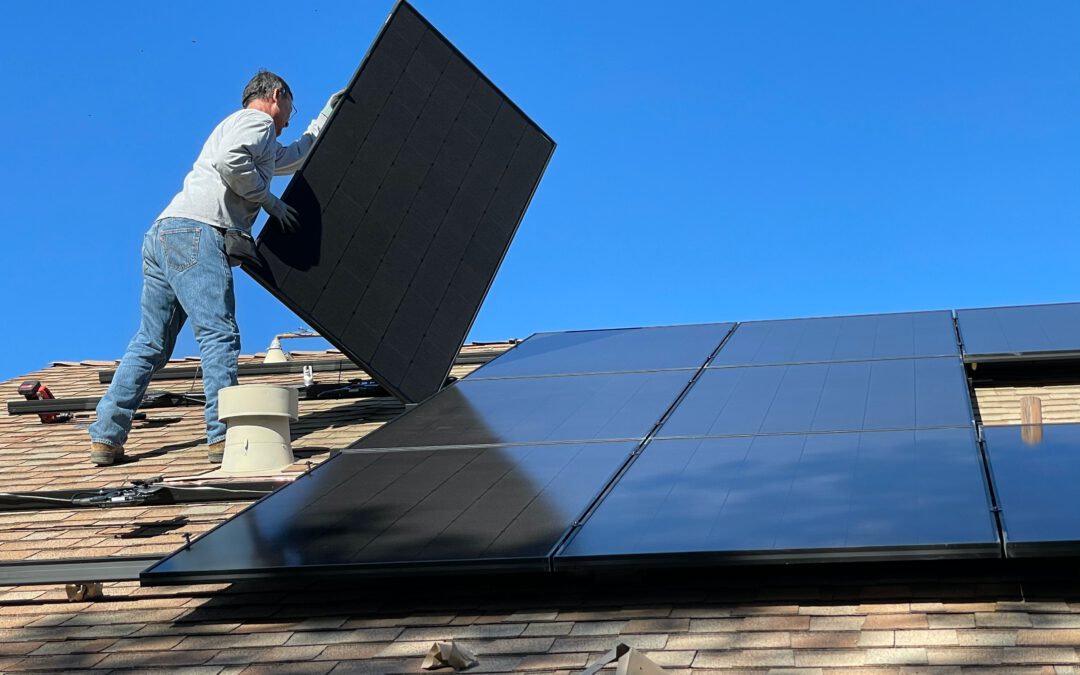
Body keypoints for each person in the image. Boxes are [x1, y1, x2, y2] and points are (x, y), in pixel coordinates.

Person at [88, 70, 344, 466]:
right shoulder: (256, 122)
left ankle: (106, 435)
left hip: (163, 234)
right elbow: (231, 162)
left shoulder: (245, 131)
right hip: (197, 232)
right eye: (293, 106)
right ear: (277, 95)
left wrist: (326, 116)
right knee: (218, 334)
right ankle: (223, 437)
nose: (291, 116)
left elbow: (292, 157)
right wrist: (270, 203)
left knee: (150, 343)